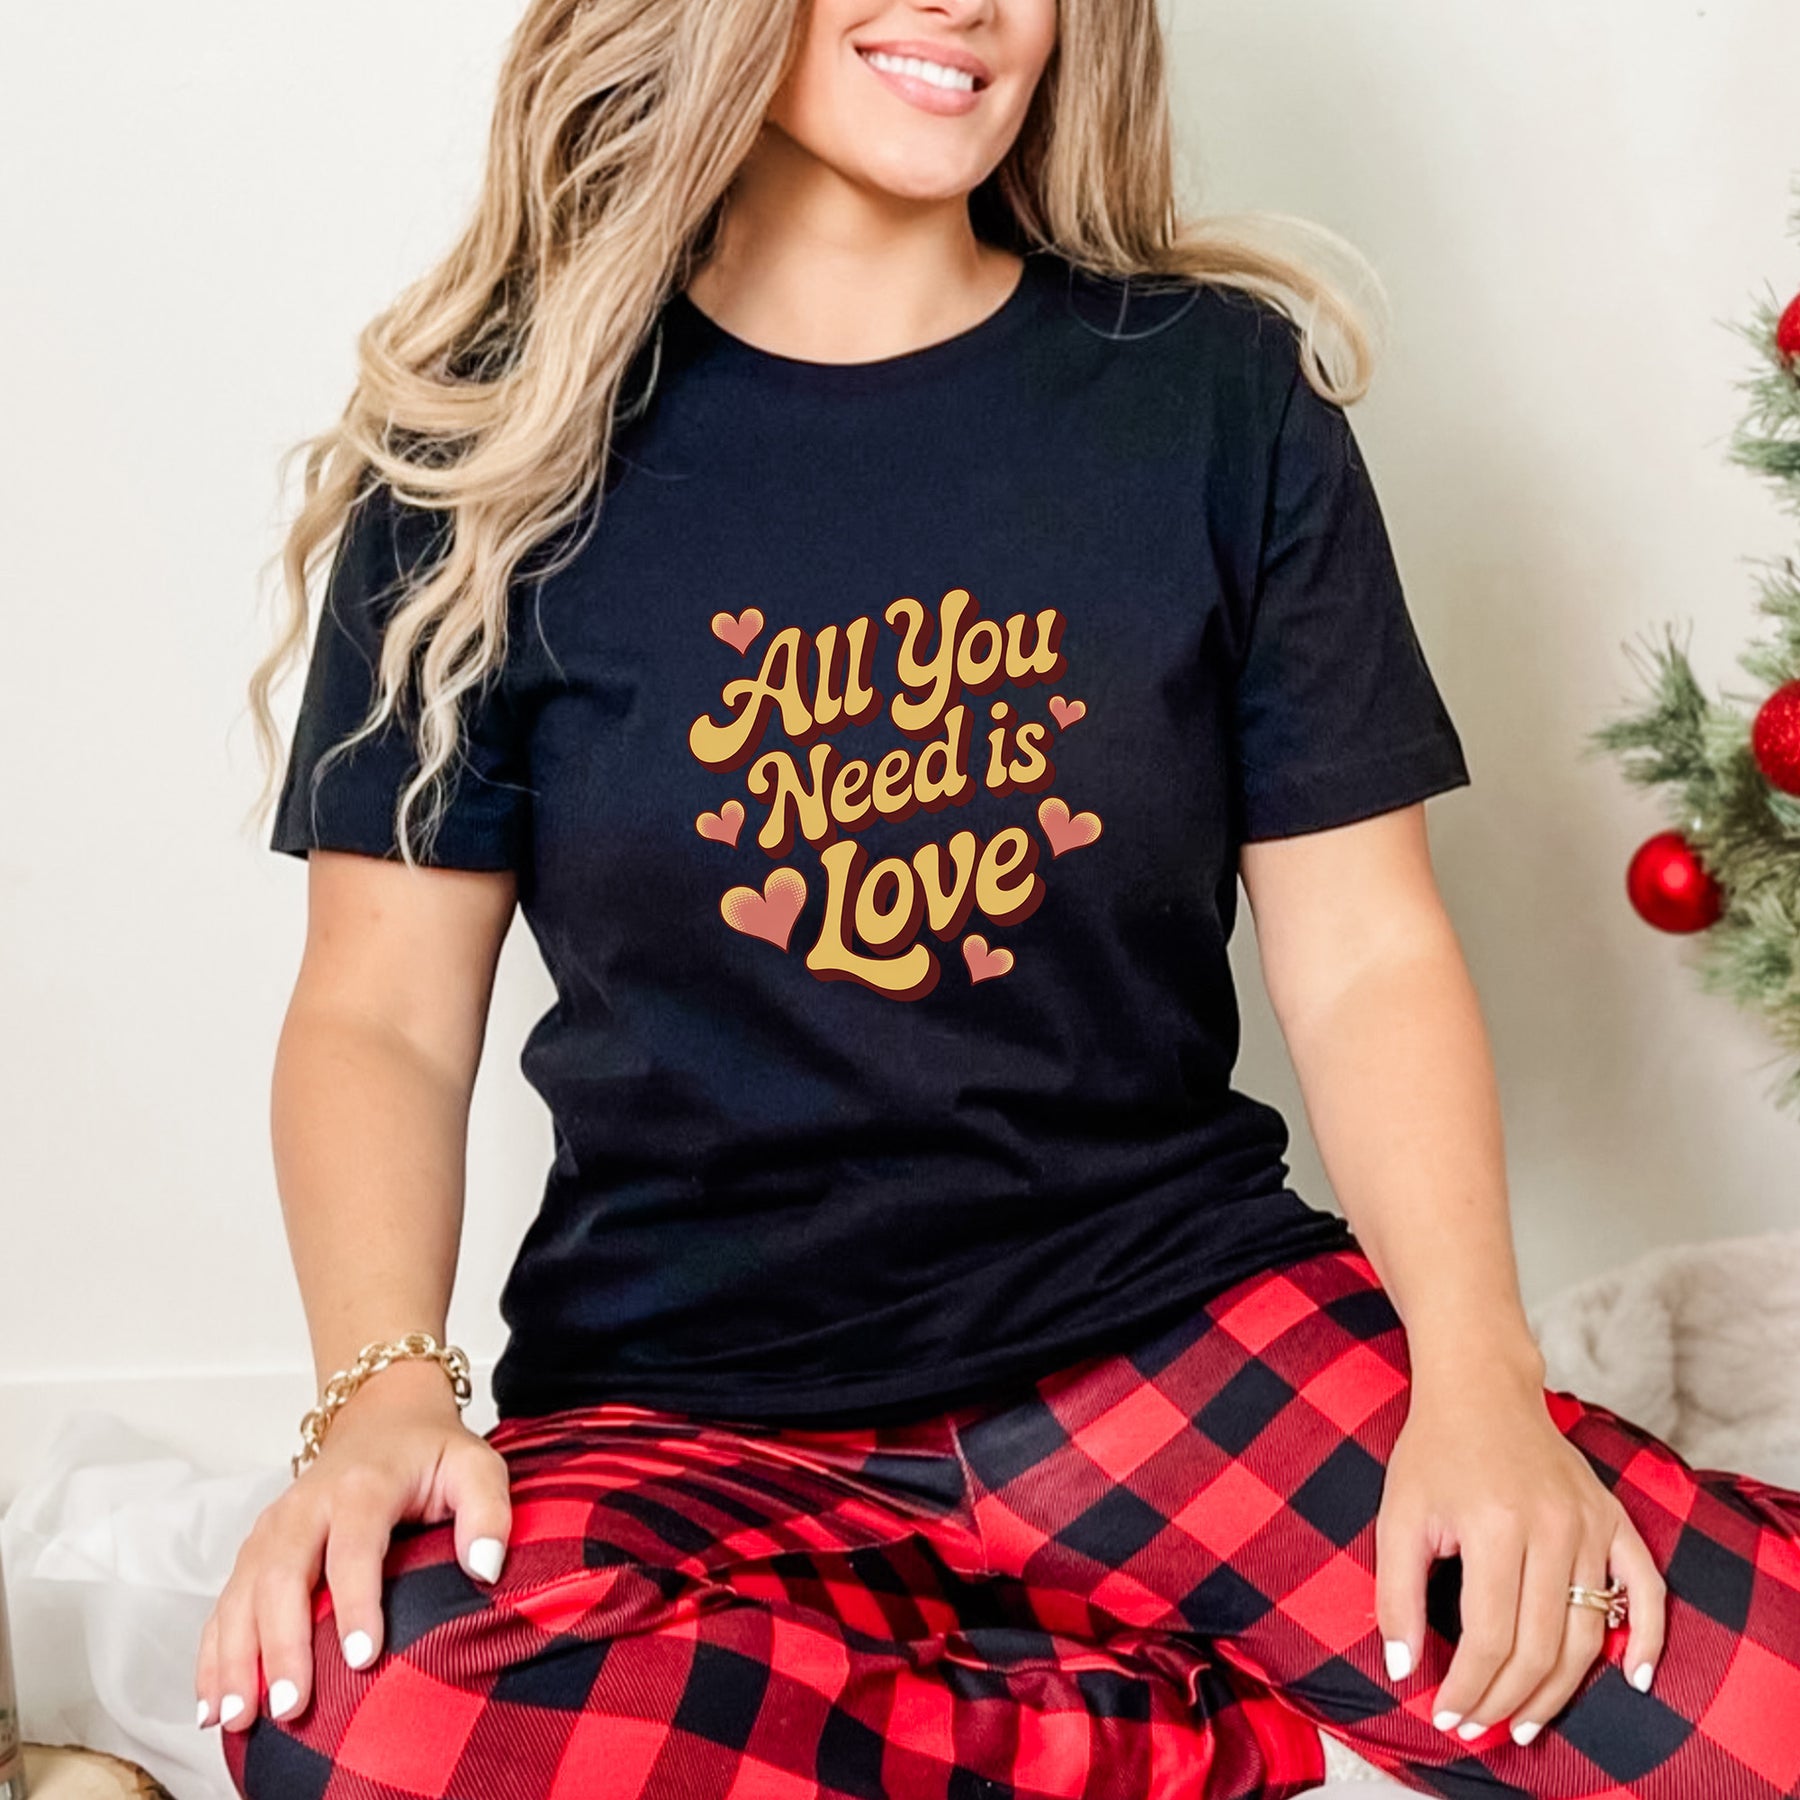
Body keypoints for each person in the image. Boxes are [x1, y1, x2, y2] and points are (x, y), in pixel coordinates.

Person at [202, 0, 1800, 1795]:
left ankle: (991, 1692)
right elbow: (382, 1017)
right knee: (349, 1707)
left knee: (1766, 1716)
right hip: (697, 1411)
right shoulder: (491, 454)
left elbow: (1364, 954)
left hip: (1178, 1336)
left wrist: (1479, 1382)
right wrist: (383, 1395)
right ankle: (1186, 1733)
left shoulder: (1215, 396)